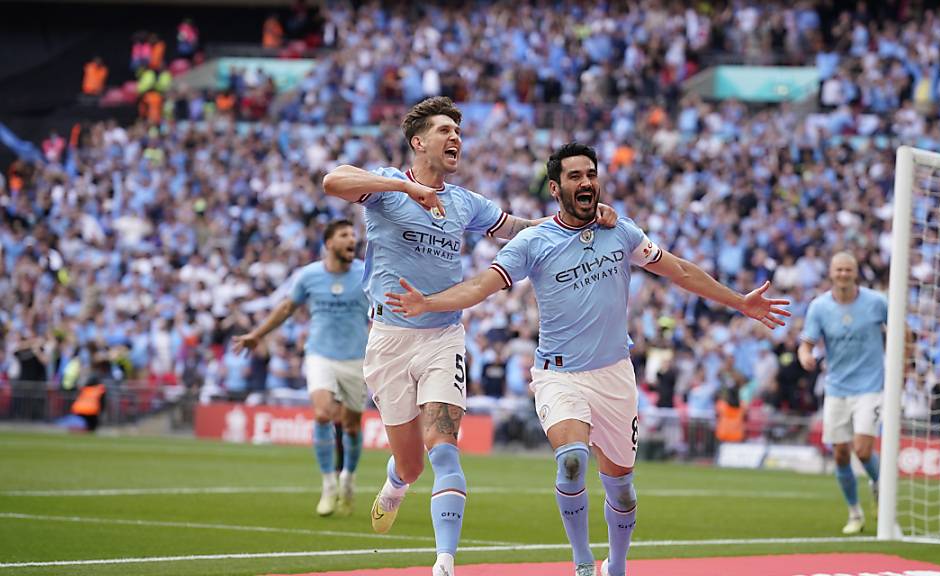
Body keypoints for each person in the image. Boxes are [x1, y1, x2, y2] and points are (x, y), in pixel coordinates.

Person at [385, 142, 790, 576]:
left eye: (591, 174)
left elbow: (679, 270)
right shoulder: (532, 242)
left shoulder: (622, 230)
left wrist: (738, 302)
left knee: (623, 490)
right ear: (556, 189)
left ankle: (615, 565)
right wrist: (429, 303)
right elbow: (481, 286)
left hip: (615, 374)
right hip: (559, 375)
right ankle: (581, 562)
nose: (587, 182)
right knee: (573, 460)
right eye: (576, 176)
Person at [322, 98, 617, 576]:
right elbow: (333, 181)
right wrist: (402, 187)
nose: (455, 138)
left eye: (457, 131)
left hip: (442, 337)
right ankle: (397, 482)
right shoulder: (384, 188)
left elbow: (517, 229)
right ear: (418, 142)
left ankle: (443, 563)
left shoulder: (465, 202)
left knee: (445, 449)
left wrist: (583, 218)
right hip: (388, 339)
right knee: (413, 465)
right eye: (444, 130)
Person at [232, 220, 368, 518]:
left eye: (354, 237)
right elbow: (285, 308)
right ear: (329, 243)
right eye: (345, 235)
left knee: (351, 425)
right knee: (321, 414)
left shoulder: (366, 272)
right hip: (320, 354)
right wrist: (257, 334)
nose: (352, 241)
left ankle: (348, 478)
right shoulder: (309, 276)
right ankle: (328, 484)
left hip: (356, 359)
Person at [798, 251, 887, 535]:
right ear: (831, 273)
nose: (843, 274)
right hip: (836, 387)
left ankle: (880, 487)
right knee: (839, 455)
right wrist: (805, 355)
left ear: (856, 272)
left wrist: (903, 363)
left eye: (848, 270)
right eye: (839, 270)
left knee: (862, 449)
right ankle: (854, 513)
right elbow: (806, 342)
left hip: (870, 386)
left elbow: (903, 331)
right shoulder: (819, 307)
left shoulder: (876, 302)